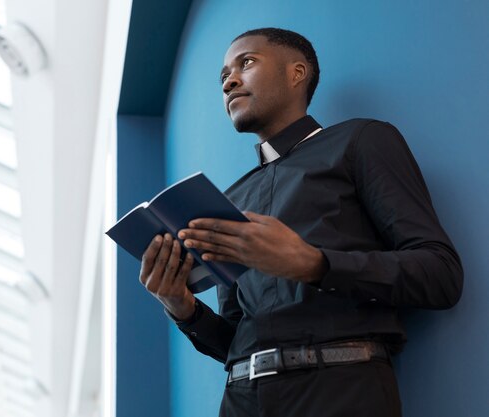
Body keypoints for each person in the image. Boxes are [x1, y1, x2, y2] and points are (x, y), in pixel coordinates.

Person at [138, 27, 463, 417]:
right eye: (223, 76)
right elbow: (236, 338)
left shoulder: (361, 140)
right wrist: (183, 308)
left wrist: (313, 263)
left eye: (246, 63)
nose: (230, 82)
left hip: (343, 391)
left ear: (297, 73)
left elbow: (441, 274)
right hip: (241, 401)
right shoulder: (230, 200)